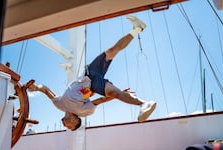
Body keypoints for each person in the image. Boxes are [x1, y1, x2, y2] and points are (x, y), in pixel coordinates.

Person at [28, 15, 157, 131]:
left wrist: (36, 88)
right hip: (94, 84)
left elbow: (45, 90)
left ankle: (137, 28)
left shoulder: (59, 105)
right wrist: (119, 94)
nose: (65, 126)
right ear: (75, 120)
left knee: (112, 50)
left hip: (89, 72)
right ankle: (144, 103)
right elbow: (100, 101)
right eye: (70, 127)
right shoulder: (84, 112)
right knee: (113, 92)